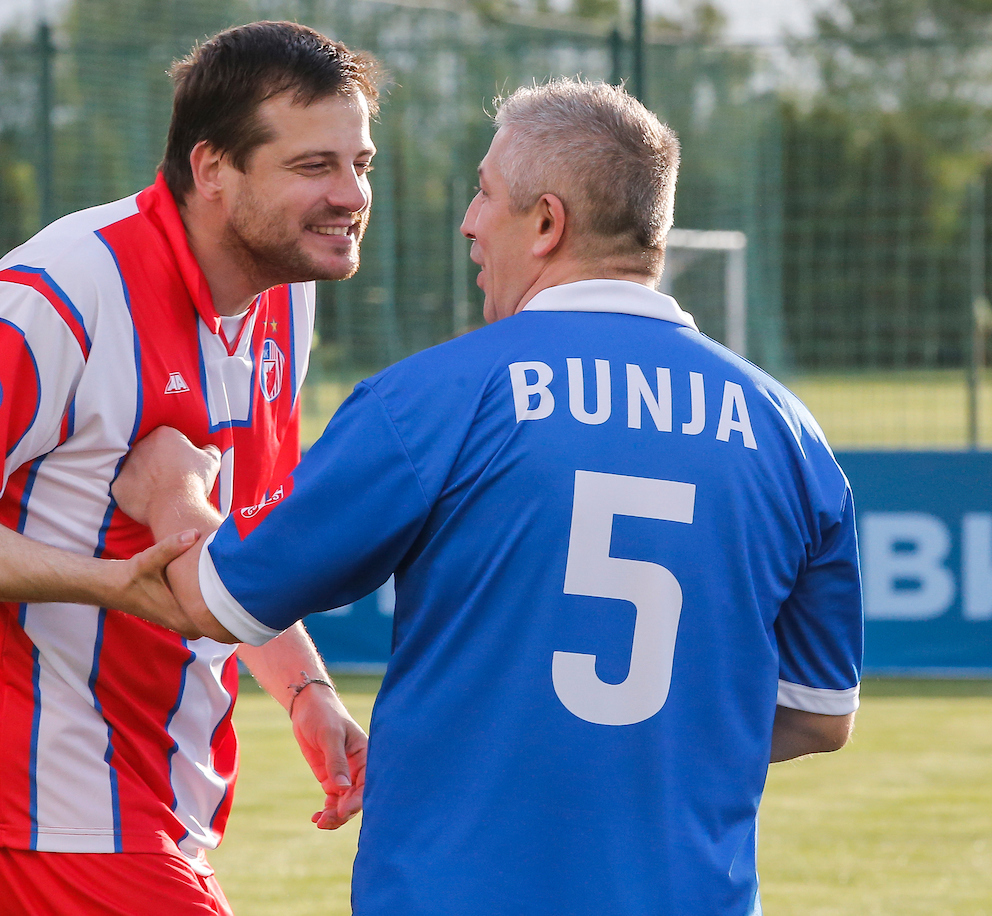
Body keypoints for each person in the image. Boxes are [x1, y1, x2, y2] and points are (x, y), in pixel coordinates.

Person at [109, 79, 863, 915]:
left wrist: (174, 488)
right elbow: (818, 715)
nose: (469, 221)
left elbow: (217, 603)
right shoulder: (791, 436)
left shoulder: (435, 399)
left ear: (547, 223)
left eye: (485, 194)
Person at [0, 21, 379, 916]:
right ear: (213, 169)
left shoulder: (287, 300)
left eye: (362, 164)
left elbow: (225, 541)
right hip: (44, 805)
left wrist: (305, 692)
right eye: (313, 166)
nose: (352, 195)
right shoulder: (59, 293)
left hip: (165, 800)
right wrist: (108, 583)